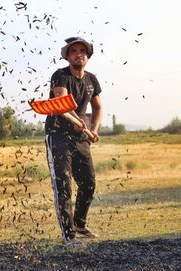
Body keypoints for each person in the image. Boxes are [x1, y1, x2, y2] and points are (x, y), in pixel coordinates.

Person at [45, 37, 103, 248]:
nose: (80, 54)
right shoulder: (60, 76)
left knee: (88, 184)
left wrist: (93, 130)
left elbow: (97, 108)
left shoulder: (91, 80)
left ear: (88, 56)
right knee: (63, 187)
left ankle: (80, 224)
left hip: (80, 138)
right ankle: (69, 236)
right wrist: (76, 120)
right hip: (58, 136)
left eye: (83, 51)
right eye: (74, 51)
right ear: (68, 56)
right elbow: (61, 105)